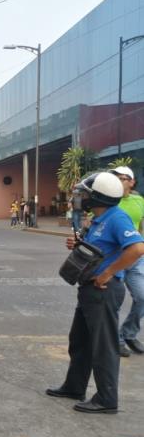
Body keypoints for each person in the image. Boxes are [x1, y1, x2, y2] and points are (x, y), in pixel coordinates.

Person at [47, 171, 144, 414]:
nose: (80, 197)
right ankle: (74, 386)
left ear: (98, 197)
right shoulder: (99, 219)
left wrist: (108, 273)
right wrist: (77, 243)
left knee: (104, 346)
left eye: (85, 194)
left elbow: (137, 248)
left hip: (104, 290)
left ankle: (106, 399)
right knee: (79, 341)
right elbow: (99, 248)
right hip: (89, 289)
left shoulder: (116, 218)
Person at [113, 166, 144, 356]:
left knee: (142, 297)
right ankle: (116, 341)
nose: (117, 181)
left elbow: (141, 226)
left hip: (135, 258)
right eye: (115, 178)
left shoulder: (139, 200)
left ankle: (128, 333)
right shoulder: (108, 201)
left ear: (131, 182)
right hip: (114, 258)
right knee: (113, 302)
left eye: (122, 178)